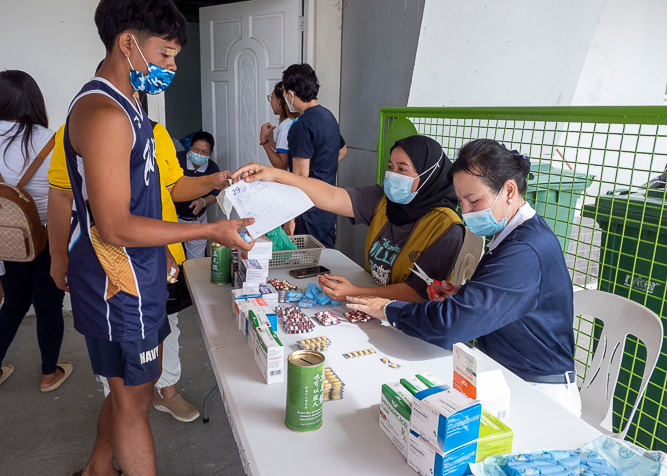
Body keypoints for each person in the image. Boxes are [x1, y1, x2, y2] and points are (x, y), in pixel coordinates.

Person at [64, 0, 253, 476]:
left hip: (142, 272)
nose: (170, 65)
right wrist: (207, 231)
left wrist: (220, 180)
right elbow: (116, 223)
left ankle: (97, 469)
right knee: (134, 403)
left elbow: (159, 188)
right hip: (117, 284)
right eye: (165, 53)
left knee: (130, 390)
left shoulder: (133, 108)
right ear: (128, 42)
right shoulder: (105, 115)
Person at [346, 139, 582, 417]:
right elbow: (505, 298)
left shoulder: (525, 250)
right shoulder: (515, 233)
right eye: (461, 201)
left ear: (508, 190)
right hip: (504, 373)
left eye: (474, 200)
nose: (466, 211)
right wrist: (462, 293)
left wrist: (387, 309)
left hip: (537, 395)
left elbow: (452, 325)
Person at [49, 116, 227, 423]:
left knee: (167, 329)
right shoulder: (75, 130)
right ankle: (117, 405)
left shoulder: (156, 132)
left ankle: (166, 392)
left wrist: (213, 181)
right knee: (114, 338)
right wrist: (58, 257)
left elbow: (175, 187)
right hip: (108, 261)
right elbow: (61, 194)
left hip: (163, 255)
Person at [233, 135, 464, 302]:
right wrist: (276, 174)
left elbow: (418, 292)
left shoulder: (445, 227)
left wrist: (355, 292)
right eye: (390, 167)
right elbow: (331, 195)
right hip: (370, 303)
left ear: (429, 175)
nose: (393, 176)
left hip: (407, 316)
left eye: (403, 170)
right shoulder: (383, 200)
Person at [0, 70, 71, 392]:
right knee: (47, 306)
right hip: (48, 236)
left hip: (7, 238)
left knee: (13, 303)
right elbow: (71, 193)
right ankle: (48, 374)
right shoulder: (52, 140)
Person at [281, 63, 347, 247]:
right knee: (325, 261)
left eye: (285, 92)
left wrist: (289, 217)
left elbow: (300, 177)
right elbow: (343, 150)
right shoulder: (328, 117)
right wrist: (322, 168)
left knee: (302, 266)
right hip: (328, 206)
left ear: (291, 93)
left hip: (307, 210)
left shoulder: (302, 125)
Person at [175, 130, 222, 259]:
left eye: (204, 152)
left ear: (210, 154)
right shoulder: (176, 160)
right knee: (171, 259)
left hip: (197, 220)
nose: (199, 154)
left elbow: (215, 195)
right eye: (195, 149)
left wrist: (203, 202)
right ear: (190, 147)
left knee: (196, 261)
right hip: (173, 218)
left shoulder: (212, 169)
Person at [259, 81, 296, 170]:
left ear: (279, 101)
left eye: (272, 97)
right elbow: (289, 151)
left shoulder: (285, 126)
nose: (271, 101)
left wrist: (264, 141)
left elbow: (282, 165)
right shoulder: (293, 121)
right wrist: (270, 141)